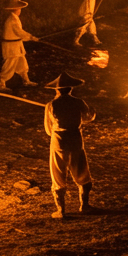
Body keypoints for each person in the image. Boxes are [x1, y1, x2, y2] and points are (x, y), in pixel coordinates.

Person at [43, 73, 97, 217]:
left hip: (58, 141)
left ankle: (61, 211)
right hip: (75, 139)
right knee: (81, 170)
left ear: (57, 90)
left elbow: (48, 129)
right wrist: (92, 112)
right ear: (71, 89)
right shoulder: (79, 102)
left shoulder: (51, 105)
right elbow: (88, 117)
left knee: (58, 173)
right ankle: (84, 206)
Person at [0, 0, 37, 89]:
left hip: (16, 45)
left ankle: (26, 80)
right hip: (11, 46)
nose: (20, 10)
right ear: (15, 9)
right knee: (9, 65)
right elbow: (19, 32)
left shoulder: (15, 18)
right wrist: (31, 37)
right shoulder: (12, 20)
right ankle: (1, 84)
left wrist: (30, 38)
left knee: (22, 63)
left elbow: (18, 34)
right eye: (19, 9)